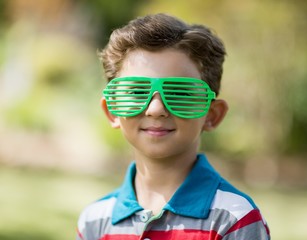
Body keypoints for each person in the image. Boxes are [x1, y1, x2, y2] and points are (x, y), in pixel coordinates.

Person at [76, 13, 270, 240]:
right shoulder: (95, 221)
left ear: (212, 115)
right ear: (112, 111)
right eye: (136, 92)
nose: (156, 109)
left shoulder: (234, 219)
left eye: (179, 92)